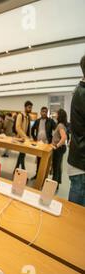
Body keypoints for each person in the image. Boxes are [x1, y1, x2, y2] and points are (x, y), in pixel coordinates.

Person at [67, 55, 85, 206]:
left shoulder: (78, 90)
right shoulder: (82, 92)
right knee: (76, 216)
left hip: (78, 160)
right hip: (81, 162)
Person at [31, 106, 56, 179]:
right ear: (40, 112)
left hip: (47, 143)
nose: (44, 113)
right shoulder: (37, 121)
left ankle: (44, 177)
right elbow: (32, 130)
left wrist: (53, 140)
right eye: (43, 111)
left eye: (45, 112)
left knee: (45, 160)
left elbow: (56, 129)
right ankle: (37, 175)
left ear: (47, 113)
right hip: (39, 143)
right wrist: (35, 138)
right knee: (38, 159)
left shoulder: (50, 121)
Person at [51, 109, 68, 188]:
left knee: (55, 167)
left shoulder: (60, 125)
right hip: (61, 148)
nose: (55, 115)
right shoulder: (62, 125)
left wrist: (56, 146)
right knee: (58, 166)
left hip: (59, 149)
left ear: (59, 115)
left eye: (57, 114)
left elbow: (64, 137)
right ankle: (57, 183)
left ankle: (53, 185)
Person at [14, 101, 33, 171]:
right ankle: (22, 170)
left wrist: (29, 137)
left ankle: (16, 170)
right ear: (25, 107)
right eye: (29, 107)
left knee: (22, 155)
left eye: (31, 108)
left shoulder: (28, 117)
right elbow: (18, 127)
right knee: (22, 155)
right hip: (21, 139)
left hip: (25, 139)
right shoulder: (20, 115)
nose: (30, 109)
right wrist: (26, 137)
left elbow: (28, 129)